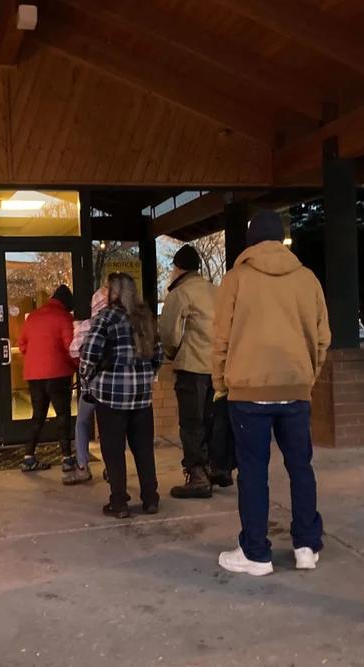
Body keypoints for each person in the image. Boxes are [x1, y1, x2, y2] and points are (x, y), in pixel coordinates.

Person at [212, 210, 330, 576]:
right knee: (301, 468)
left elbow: (220, 339)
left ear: (250, 241)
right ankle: (306, 547)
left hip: (247, 391)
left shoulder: (236, 279)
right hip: (295, 388)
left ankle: (256, 552)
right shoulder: (308, 279)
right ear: (282, 240)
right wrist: (306, 378)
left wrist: (221, 384)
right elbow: (322, 337)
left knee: (252, 472)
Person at [80, 273, 163, 519]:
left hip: (111, 397)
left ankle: (119, 502)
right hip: (141, 397)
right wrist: (145, 376)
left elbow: (89, 356)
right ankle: (150, 498)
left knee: (114, 451)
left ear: (114, 292)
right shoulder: (146, 319)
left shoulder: (106, 318)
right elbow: (158, 355)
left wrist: (88, 381)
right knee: (144, 449)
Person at [159, 245, 229, 499]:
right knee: (214, 420)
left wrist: (171, 352)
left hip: (192, 368)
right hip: (217, 369)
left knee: (191, 422)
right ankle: (218, 468)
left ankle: (197, 476)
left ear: (178, 268)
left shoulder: (180, 294)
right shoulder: (216, 291)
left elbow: (168, 333)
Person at [17, 284, 77, 473]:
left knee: (38, 416)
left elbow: (22, 345)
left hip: (34, 375)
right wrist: (78, 366)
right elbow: (71, 348)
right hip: (58, 374)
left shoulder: (33, 316)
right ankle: (67, 458)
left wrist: (36, 357)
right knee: (62, 416)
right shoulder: (64, 317)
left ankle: (28, 457)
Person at [63, 285, 109, 485]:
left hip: (91, 387)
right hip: (112, 388)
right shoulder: (120, 323)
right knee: (110, 428)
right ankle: (112, 467)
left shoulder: (88, 325)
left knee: (82, 423)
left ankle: (82, 466)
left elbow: (74, 351)